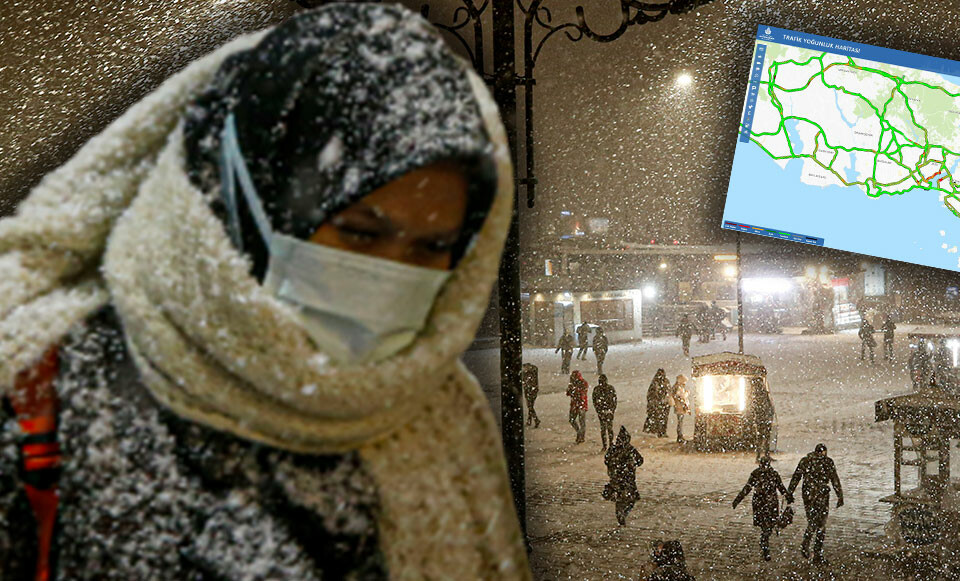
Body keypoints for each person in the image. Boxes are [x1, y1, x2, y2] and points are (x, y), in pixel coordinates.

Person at [0, 5, 530, 579]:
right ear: (251, 203)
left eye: (431, 248)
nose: (391, 272)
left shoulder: (442, 416)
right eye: (359, 231)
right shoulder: (43, 390)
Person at [788, 443, 845, 566]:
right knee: (821, 524)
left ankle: (807, 544)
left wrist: (790, 492)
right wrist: (840, 495)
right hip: (821, 495)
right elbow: (835, 479)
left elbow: (796, 477)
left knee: (813, 521)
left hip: (808, 494)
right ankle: (815, 552)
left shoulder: (806, 461)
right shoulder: (827, 462)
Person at [732, 455, 793, 562]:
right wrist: (738, 499)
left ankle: (765, 543)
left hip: (766, 503)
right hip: (765, 503)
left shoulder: (765, 474)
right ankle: (765, 545)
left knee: (768, 526)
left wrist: (788, 495)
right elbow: (748, 487)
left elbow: (780, 487)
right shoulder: (763, 474)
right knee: (767, 526)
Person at [605, 426, 644, 525]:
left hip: (616, 479)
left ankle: (620, 514)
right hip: (628, 478)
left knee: (619, 499)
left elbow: (606, 460)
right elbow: (640, 461)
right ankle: (623, 513)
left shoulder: (613, 449)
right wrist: (632, 465)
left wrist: (613, 467)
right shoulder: (630, 449)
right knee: (631, 499)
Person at [748, 378, 774, 460]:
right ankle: (762, 455)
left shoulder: (757, 394)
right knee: (763, 437)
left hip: (763, 418)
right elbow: (759, 406)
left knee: (763, 437)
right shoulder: (759, 394)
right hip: (763, 418)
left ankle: (762, 455)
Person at [594, 374, 618, 451]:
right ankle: (610, 444)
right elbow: (614, 400)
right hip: (607, 411)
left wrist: (599, 410)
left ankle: (606, 445)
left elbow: (595, 401)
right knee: (608, 428)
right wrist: (612, 410)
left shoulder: (597, 389)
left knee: (604, 429)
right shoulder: (610, 388)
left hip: (604, 411)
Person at [644, 369, 671, 437]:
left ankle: (662, 431)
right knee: (659, 418)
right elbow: (652, 394)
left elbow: (669, 391)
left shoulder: (665, 381)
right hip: (658, 404)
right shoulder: (656, 383)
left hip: (664, 404)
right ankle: (660, 432)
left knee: (663, 419)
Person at [568, 370, 589, 444]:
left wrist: (574, 389)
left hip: (580, 405)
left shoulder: (583, 383)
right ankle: (579, 433)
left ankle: (581, 436)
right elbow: (568, 393)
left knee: (581, 422)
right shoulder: (573, 383)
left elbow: (582, 393)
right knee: (572, 420)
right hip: (576, 404)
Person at [670, 374, 691, 444]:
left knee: (680, 422)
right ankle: (680, 436)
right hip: (680, 407)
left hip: (679, 407)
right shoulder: (678, 387)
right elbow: (681, 397)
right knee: (680, 422)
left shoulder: (676, 387)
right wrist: (687, 393)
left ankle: (680, 436)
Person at [523, 363, 540, 429]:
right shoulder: (532, 372)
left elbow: (525, 382)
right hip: (532, 390)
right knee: (530, 406)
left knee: (530, 406)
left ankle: (536, 420)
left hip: (530, 390)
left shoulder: (529, 373)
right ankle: (529, 420)